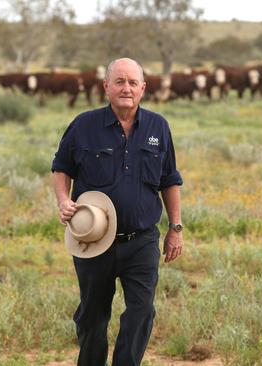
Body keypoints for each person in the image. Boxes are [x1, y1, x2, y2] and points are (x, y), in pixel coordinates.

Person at [51, 57, 184, 366]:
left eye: (133, 83)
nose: (127, 88)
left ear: (143, 88)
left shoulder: (158, 127)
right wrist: (63, 199)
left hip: (142, 239)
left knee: (142, 311)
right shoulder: (84, 125)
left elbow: (169, 179)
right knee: (93, 317)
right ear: (106, 86)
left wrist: (175, 228)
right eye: (120, 82)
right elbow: (62, 167)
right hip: (94, 240)